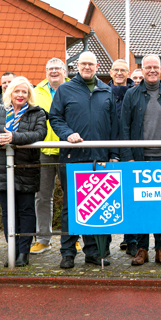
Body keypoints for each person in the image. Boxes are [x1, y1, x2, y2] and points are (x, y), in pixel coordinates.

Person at [49, 51, 119, 269]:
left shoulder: (106, 90)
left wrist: (114, 154)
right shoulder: (65, 89)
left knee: (98, 204)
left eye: (91, 64)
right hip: (73, 157)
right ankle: (68, 252)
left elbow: (114, 125)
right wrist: (67, 133)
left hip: (100, 157)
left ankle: (94, 252)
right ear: (77, 65)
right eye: (83, 64)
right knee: (71, 206)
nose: (87, 67)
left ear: (97, 66)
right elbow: (55, 117)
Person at [120, 54, 161, 266]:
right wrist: (127, 157)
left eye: (155, 67)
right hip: (139, 159)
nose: (152, 70)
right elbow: (124, 127)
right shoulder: (132, 94)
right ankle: (142, 248)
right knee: (141, 204)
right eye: (148, 67)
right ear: (141, 69)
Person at [0, 76, 47, 267]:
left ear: (29, 95)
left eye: (24, 92)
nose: (20, 95)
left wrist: (14, 137)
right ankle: (12, 248)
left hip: (26, 167)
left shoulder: (37, 113)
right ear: (9, 92)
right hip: (1, 168)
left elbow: (39, 134)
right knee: (7, 210)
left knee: (26, 210)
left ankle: (23, 252)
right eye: (17, 91)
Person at [30, 58, 69, 255]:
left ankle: (73, 238)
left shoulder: (73, 88)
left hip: (67, 151)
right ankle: (43, 239)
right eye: (50, 69)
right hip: (44, 151)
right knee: (42, 196)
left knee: (72, 197)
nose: (54, 71)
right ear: (46, 71)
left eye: (57, 68)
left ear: (65, 70)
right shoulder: (35, 92)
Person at [108, 58, 135, 252]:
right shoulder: (102, 91)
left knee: (130, 197)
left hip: (129, 151)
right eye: (116, 70)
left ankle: (131, 240)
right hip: (108, 150)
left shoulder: (135, 93)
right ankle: (105, 242)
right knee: (109, 197)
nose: (119, 73)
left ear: (128, 73)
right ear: (110, 72)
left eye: (123, 70)